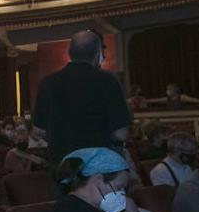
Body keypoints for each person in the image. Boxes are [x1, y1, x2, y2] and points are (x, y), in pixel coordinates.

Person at [34, 31, 131, 165]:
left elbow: (39, 130)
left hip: (63, 165)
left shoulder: (48, 82)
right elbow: (121, 133)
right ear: (98, 54)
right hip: (100, 165)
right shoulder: (108, 81)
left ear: (70, 53)